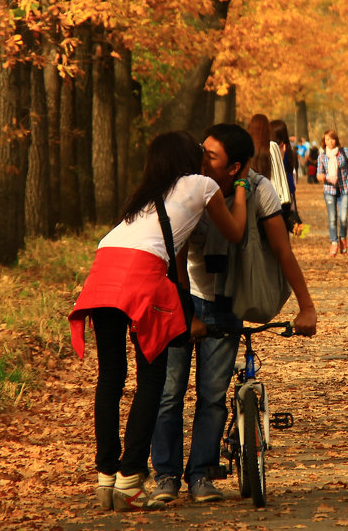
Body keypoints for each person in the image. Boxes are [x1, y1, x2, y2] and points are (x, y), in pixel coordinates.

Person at [68, 131, 248, 511]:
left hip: (104, 268)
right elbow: (234, 232)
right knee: (152, 379)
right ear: (189, 158)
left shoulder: (145, 196)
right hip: (140, 274)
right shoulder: (201, 185)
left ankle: (106, 478)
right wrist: (244, 187)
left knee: (111, 377)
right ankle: (130, 478)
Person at [150, 123, 318, 503]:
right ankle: (165, 477)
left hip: (227, 303)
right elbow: (175, 254)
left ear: (234, 166)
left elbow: (282, 251)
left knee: (212, 395)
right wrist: (185, 310)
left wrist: (307, 307)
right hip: (185, 296)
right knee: (169, 392)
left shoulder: (260, 190)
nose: (200, 158)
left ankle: (201, 476)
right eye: (201, 149)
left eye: (210, 155)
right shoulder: (189, 187)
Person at [318, 129, 348, 257]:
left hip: (344, 189)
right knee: (332, 219)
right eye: (327, 139)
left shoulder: (344, 152)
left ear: (336, 140)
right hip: (329, 190)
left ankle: (343, 238)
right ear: (324, 142)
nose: (329, 142)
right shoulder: (322, 156)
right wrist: (323, 177)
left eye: (332, 139)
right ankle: (334, 243)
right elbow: (319, 174)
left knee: (343, 218)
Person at [270, 118, 300, 233]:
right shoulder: (281, 148)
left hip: (283, 190)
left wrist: (281, 156)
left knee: (283, 222)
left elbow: (285, 169)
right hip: (287, 190)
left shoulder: (284, 149)